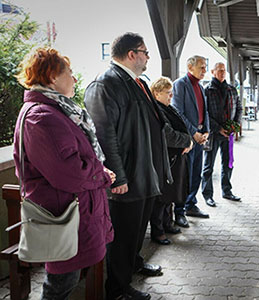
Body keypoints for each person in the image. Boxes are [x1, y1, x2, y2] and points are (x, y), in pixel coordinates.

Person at [13, 47, 115, 299]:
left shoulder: (55, 110)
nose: (75, 78)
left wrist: (97, 170)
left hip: (74, 212)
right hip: (65, 216)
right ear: (51, 77)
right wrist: (101, 174)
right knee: (60, 284)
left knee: (66, 279)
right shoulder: (43, 117)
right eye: (69, 73)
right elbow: (69, 174)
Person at [84, 32, 172, 300]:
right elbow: (104, 136)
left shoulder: (137, 82)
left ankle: (134, 264)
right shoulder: (105, 84)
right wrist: (118, 178)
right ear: (132, 54)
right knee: (122, 236)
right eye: (145, 52)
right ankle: (118, 290)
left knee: (137, 230)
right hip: (127, 177)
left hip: (144, 174)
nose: (147, 57)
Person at [149, 77, 193, 245]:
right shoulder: (156, 110)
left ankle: (167, 224)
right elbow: (167, 135)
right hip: (165, 159)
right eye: (167, 93)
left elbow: (183, 129)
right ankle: (158, 231)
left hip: (174, 159)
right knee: (161, 197)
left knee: (170, 195)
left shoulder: (168, 108)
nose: (171, 96)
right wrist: (187, 141)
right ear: (156, 93)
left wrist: (188, 141)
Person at [171, 55, 210, 227]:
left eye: (205, 67)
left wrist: (206, 130)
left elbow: (205, 111)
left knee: (196, 174)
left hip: (200, 136)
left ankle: (191, 204)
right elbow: (178, 112)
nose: (204, 70)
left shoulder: (200, 87)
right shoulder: (180, 84)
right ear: (189, 67)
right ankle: (179, 211)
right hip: (188, 138)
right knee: (184, 175)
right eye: (201, 67)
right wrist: (194, 133)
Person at [201, 62, 243, 207]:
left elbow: (239, 108)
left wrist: (235, 126)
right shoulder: (207, 90)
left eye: (224, 71)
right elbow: (204, 113)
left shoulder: (232, 89)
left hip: (229, 135)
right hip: (213, 134)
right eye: (219, 71)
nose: (222, 73)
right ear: (213, 72)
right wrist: (218, 128)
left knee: (228, 163)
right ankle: (207, 195)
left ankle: (227, 191)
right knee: (208, 166)